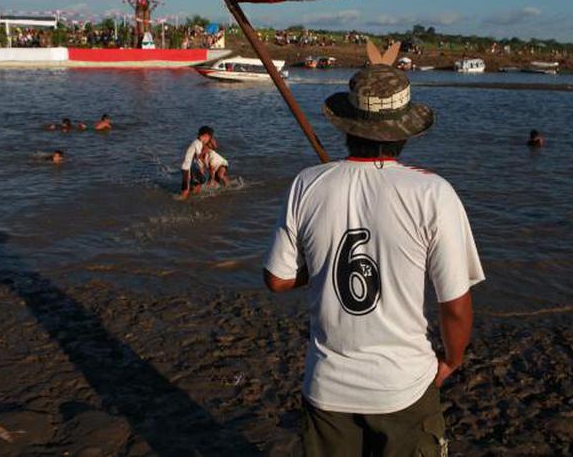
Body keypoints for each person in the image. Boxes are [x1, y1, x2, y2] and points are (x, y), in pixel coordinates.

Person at [263, 63, 484, 456]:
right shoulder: (433, 193)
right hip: (403, 387)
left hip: (326, 388)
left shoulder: (307, 183)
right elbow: (454, 305)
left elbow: (278, 280)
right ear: (404, 130)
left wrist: (325, 261)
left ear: (347, 126)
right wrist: (452, 359)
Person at [179, 126, 213, 200]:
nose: (208, 141)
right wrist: (205, 152)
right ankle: (179, 203)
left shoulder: (198, 142)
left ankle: (193, 200)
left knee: (198, 183)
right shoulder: (197, 143)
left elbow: (195, 158)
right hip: (187, 168)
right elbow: (198, 157)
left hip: (191, 168)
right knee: (186, 190)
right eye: (209, 139)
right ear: (206, 136)